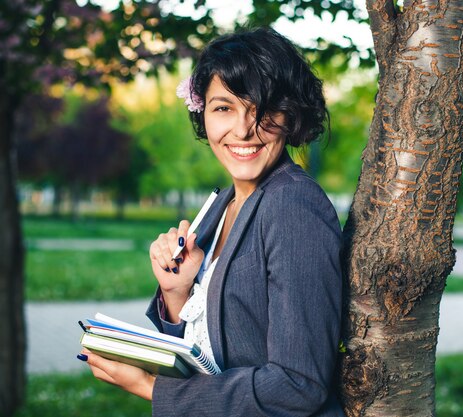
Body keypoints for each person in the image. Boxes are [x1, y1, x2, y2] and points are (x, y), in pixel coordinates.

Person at [79, 27, 345, 416]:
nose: (242, 130)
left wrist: (154, 389)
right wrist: (176, 293)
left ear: (291, 114)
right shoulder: (220, 206)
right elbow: (208, 348)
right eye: (224, 108)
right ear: (203, 113)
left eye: (264, 109)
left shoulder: (293, 206)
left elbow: (298, 384)